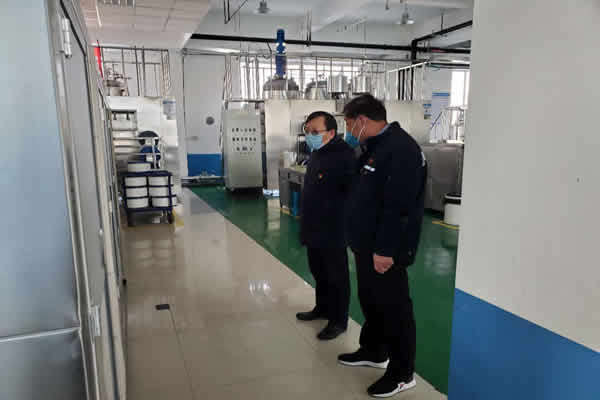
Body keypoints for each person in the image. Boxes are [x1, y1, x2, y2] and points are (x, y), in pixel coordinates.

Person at [337, 95, 427, 398]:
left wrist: (386, 250)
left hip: (385, 249)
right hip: (366, 244)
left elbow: (398, 207)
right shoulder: (374, 147)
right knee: (371, 300)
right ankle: (374, 350)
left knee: (394, 308)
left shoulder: (402, 150)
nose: (348, 130)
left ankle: (402, 373)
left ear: (362, 120)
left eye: (349, 123)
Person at [296, 111, 355, 341]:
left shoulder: (343, 155)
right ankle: (322, 308)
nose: (309, 135)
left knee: (336, 275)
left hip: (332, 228)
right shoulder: (318, 152)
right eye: (307, 130)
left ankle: (338, 320)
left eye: (314, 131)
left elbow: (350, 193)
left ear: (331, 133)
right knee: (319, 271)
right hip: (314, 225)